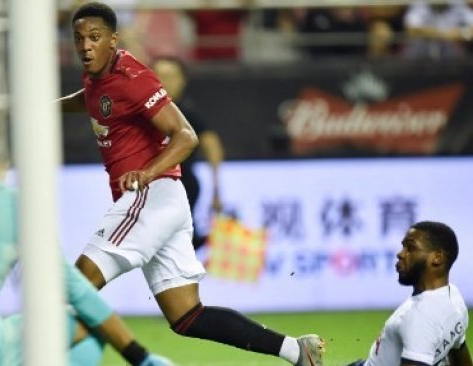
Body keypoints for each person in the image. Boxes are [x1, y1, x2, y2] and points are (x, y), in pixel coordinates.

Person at [58, 2, 325, 365]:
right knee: (187, 315)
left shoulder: (134, 79)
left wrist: (146, 173)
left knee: (76, 286)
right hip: (165, 204)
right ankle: (297, 350)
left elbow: (186, 136)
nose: (85, 45)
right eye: (79, 39)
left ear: (113, 39)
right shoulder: (96, 77)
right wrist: (45, 106)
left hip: (150, 196)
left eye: (95, 37)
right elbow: (91, 100)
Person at [0, 106, 174, 366]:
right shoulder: (16, 206)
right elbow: (76, 290)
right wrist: (140, 356)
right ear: (11, 155)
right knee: (85, 326)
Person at [348, 221, 471, 366]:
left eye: (410, 248)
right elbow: (459, 351)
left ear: (437, 258)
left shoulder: (420, 319)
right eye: (403, 246)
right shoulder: (454, 297)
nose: (400, 254)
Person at [151, 56, 223, 250]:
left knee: (175, 245)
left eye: (170, 76)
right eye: (158, 75)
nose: (163, 81)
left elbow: (212, 145)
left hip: (181, 186)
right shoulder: (143, 111)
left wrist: (216, 188)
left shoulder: (186, 113)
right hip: (150, 188)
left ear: (182, 80)